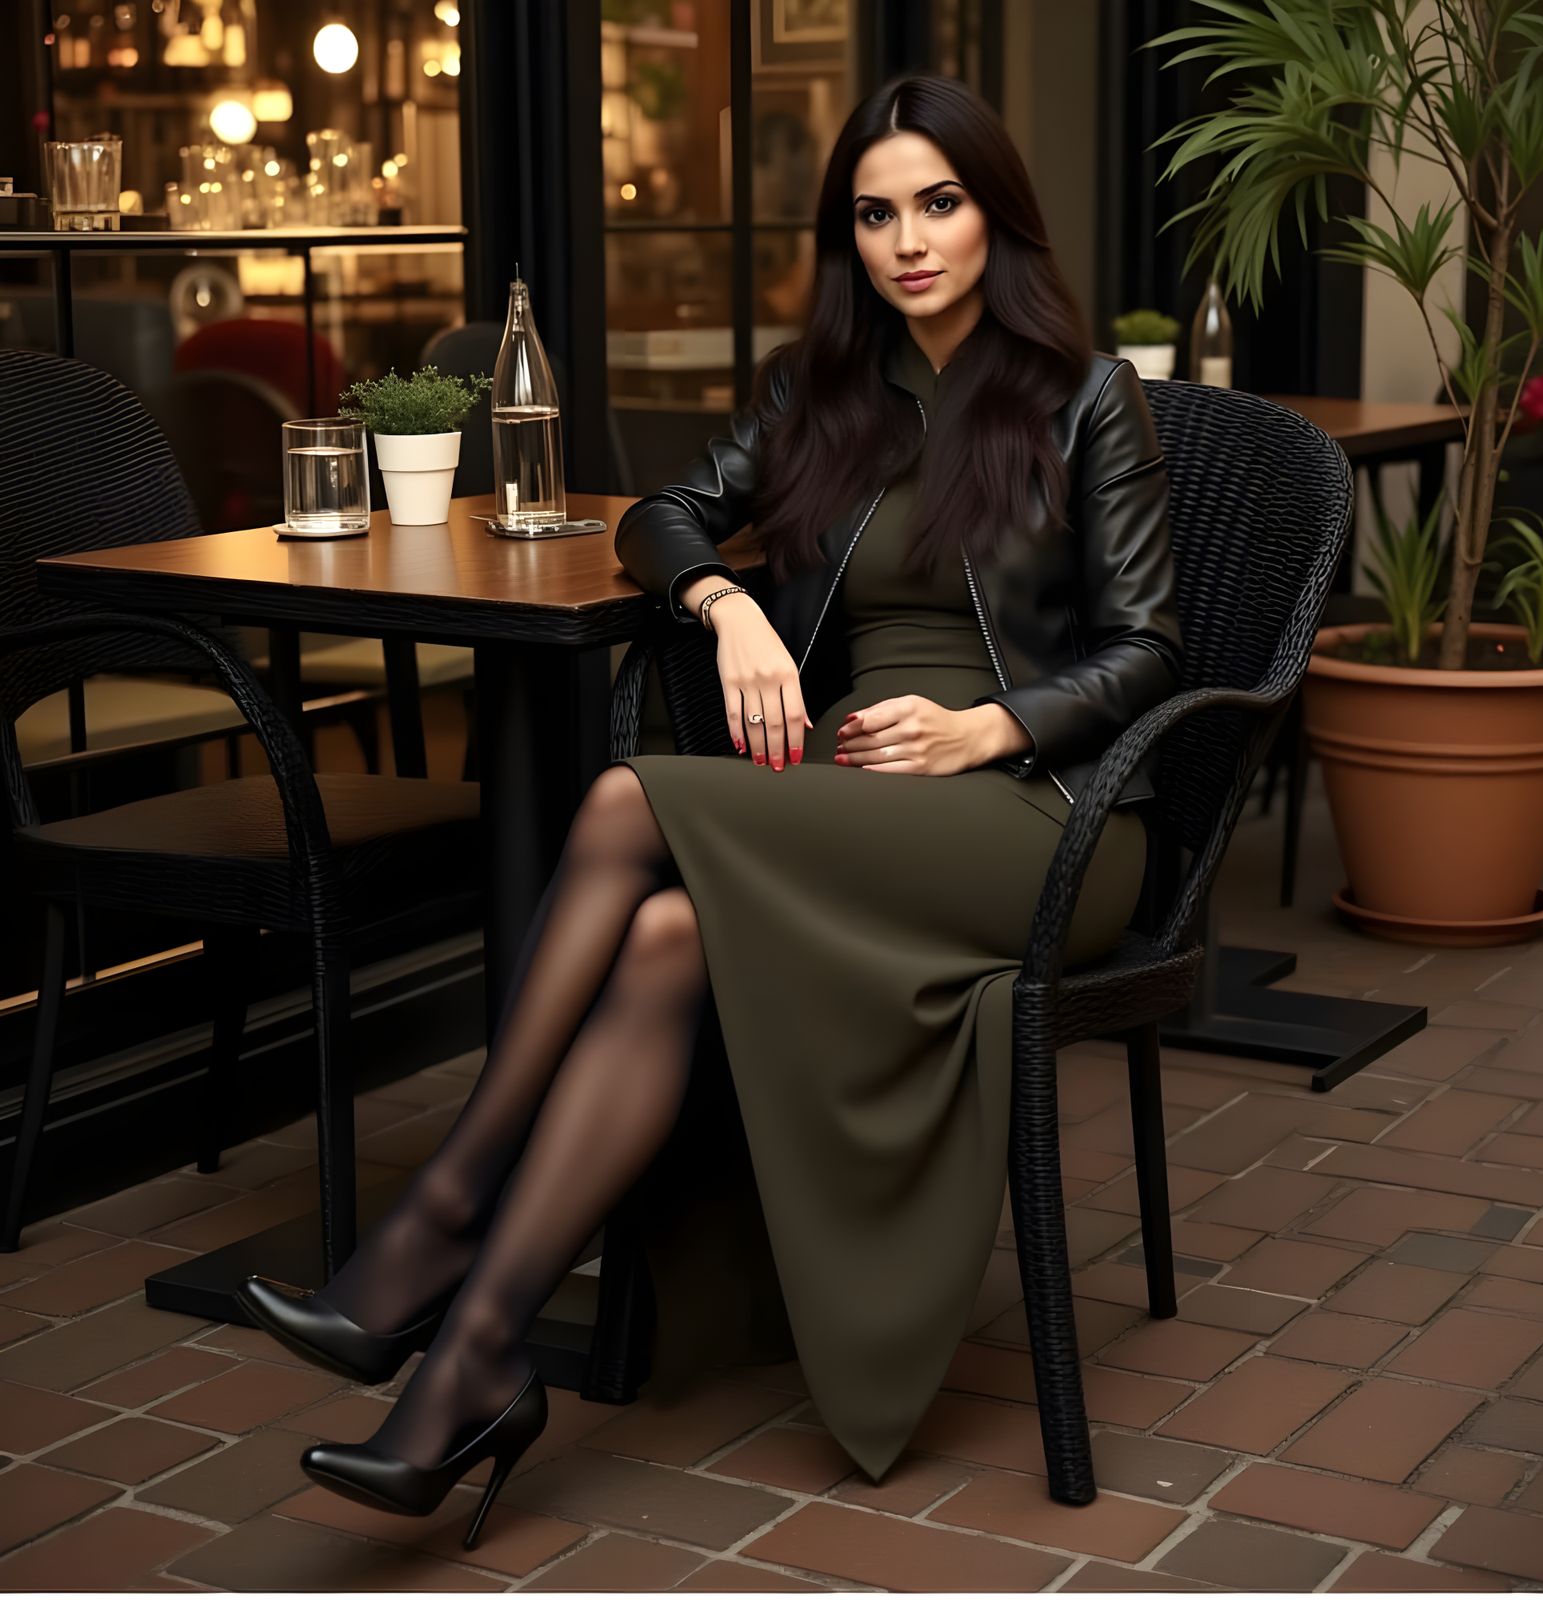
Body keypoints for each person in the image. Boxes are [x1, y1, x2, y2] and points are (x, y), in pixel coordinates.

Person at [234, 71, 1184, 1549]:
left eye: (940, 203)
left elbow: (1152, 650)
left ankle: (431, 1230)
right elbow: (659, 513)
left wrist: (988, 725)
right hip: (856, 805)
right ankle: (474, 1363)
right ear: (847, 236)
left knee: (626, 802)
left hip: (1043, 814)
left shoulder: (1084, 396)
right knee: (668, 934)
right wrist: (726, 601)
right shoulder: (822, 389)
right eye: (876, 214)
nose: (909, 241)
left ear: (997, 212)